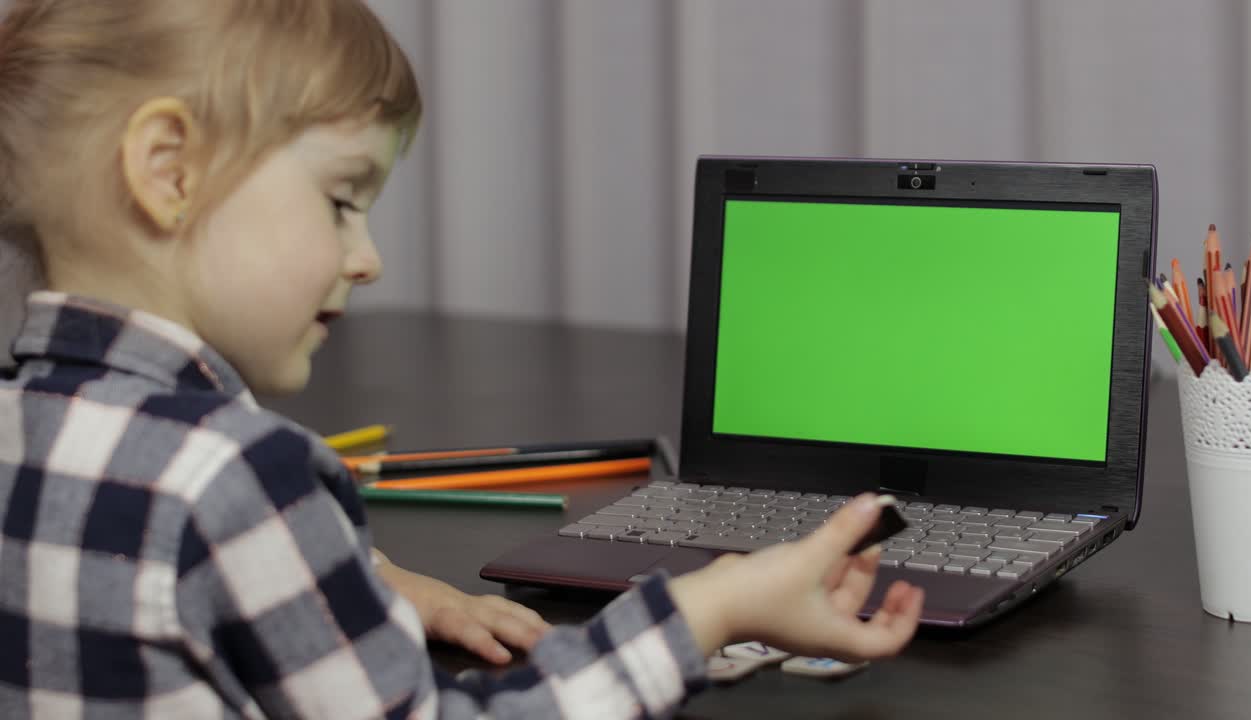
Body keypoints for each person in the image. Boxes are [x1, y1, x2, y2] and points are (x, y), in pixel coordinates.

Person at [0, 1, 924, 718]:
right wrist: (712, 609)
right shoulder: (239, 482)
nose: (368, 257)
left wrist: (357, 575)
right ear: (170, 172)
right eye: (340, 201)